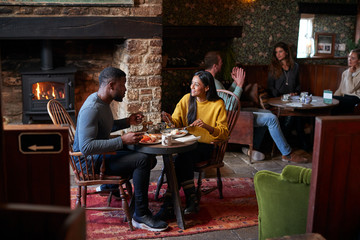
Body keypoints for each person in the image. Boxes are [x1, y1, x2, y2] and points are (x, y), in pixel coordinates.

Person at [73, 67, 168, 232]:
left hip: (98, 157)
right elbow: (86, 147)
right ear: (111, 85)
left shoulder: (102, 102)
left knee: (148, 157)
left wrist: (126, 122)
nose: (125, 89)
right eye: (123, 85)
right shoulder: (92, 108)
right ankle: (141, 215)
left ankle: (111, 187)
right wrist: (121, 140)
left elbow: (104, 128)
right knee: (142, 160)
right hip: (88, 162)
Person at [203, 51, 307, 163]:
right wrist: (240, 85)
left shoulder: (208, 79)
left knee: (268, 113)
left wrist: (235, 82)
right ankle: (287, 154)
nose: (222, 64)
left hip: (230, 114)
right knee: (272, 119)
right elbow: (230, 106)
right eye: (220, 62)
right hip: (229, 118)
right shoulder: (214, 83)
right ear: (215, 66)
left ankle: (253, 148)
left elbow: (226, 97)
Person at [156, 70, 229, 220]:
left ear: (207, 88)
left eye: (197, 85)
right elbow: (175, 123)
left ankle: (169, 203)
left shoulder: (217, 104)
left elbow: (224, 133)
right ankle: (191, 199)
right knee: (181, 158)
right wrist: (169, 120)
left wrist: (207, 126)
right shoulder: (186, 99)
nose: (192, 87)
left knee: (179, 160)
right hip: (186, 144)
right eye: (192, 83)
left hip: (207, 146)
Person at [267, 42, 308, 151]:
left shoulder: (295, 67)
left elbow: (298, 85)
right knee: (293, 115)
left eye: (280, 51)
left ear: (286, 52)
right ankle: (289, 145)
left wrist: (296, 92)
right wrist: (281, 95)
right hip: (278, 100)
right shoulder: (273, 67)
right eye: (276, 52)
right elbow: (270, 87)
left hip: (293, 99)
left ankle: (299, 144)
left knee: (298, 114)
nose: (278, 54)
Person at [332, 48, 360, 115]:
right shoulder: (345, 72)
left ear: (359, 60)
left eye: (353, 58)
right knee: (328, 99)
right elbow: (340, 89)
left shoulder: (352, 73)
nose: (349, 60)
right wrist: (332, 97)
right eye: (349, 57)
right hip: (345, 98)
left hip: (355, 99)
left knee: (333, 102)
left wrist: (350, 73)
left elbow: (350, 90)